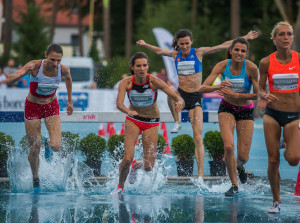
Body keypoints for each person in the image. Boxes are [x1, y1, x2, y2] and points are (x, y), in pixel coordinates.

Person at [137, 29, 258, 178]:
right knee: (170, 91)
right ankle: (177, 121)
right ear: (178, 44)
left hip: (195, 97)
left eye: (187, 43)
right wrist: (145, 44)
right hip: (181, 94)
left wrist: (245, 37)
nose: (185, 47)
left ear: (191, 42)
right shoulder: (176, 55)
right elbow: (159, 51)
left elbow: (221, 46)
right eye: (182, 44)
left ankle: (200, 175)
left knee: (198, 137)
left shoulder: (199, 52)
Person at [0, 43, 73, 193]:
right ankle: (35, 178)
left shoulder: (63, 69)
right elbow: (19, 74)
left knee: (56, 146)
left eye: (59, 60)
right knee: (34, 148)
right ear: (46, 54)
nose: (55, 64)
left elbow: (68, 80)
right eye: (52, 60)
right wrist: (7, 79)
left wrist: (70, 101)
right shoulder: (34, 66)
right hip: (33, 107)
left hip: (51, 106)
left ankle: (48, 142)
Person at [110, 52, 184, 194]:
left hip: (151, 121)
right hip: (134, 119)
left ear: (148, 66)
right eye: (138, 66)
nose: (142, 68)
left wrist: (179, 101)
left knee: (149, 165)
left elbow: (173, 94)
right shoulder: (126, 83)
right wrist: (128, 111)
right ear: (132, 67)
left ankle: (136, 166)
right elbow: (119, 104)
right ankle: (120, 186)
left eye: (144, 65)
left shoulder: (153, 81)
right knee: (127, 157)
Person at [199, 37, 259, 196]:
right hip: (227, 109)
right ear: (231, 51)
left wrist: (235, 95)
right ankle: (234, 185)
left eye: (243, 51)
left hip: (246, 110)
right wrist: (218, 86)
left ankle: (240, 167)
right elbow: (202, 88)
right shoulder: (221, 66)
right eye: (237, 50)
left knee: (243, 156)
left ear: (246, 53)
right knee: (228, 146)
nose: (239, 53)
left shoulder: (251, 68)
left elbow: (258, 95)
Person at [258, 21, 300, 213]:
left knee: (293, 159)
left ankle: (287, 142)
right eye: (281, 34)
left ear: (292, 37)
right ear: (274, 39)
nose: (286, 38)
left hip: (294, 117)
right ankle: (276, 200)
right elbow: (259, 87)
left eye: (289, 34)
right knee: (273, 160)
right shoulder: (266, 62)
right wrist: (264, 95)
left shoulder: (299, 60)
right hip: (272, 115)